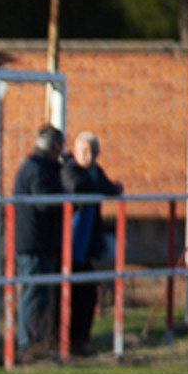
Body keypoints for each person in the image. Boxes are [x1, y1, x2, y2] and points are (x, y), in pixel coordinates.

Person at [61, 132, 123, 356]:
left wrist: (112, 187)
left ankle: (79, 342)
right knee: (74, 296)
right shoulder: (70, 170)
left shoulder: (94, 172)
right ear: (75, 151)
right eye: (85, 151)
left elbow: (111, 188)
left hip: (86, 248)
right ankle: (67, 344)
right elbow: (78, 187)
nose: (89, 156)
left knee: (87, 295)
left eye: (93, 152)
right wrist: (103, 187)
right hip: (68, 248)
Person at [10, 124, 66, 350]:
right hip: (33, 243)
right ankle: (27, 342)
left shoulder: (41, 166)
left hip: (40, 241)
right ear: (54, 146)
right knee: (32, 293)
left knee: (39, 294)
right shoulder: (37, 169)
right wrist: (65, 198)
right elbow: (44, 203)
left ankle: (37, 339)